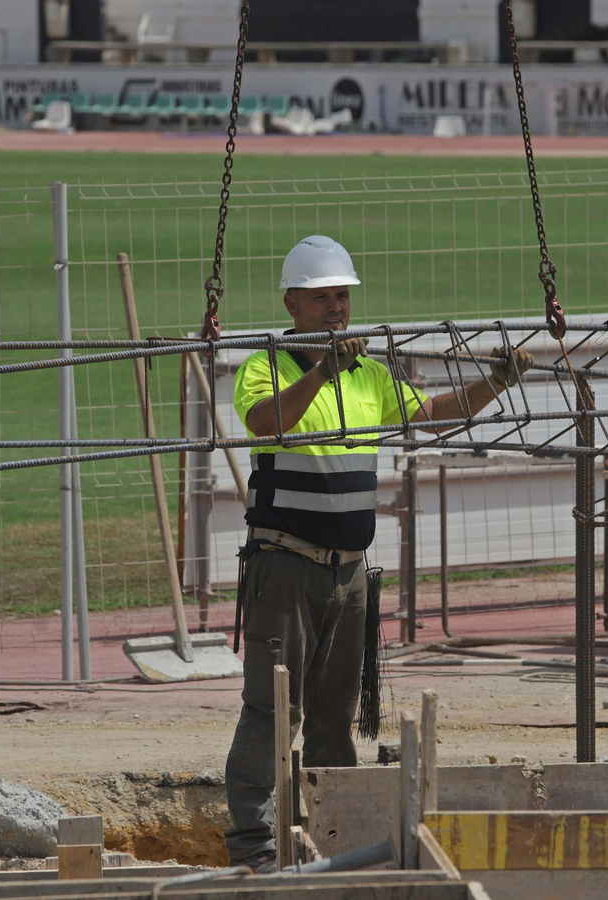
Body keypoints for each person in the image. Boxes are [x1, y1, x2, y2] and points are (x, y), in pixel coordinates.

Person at [225, 235, 534, 871]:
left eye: (342, 296)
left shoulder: (369, 374)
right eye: (322, 298)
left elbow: (434, 414)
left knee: (335, 717)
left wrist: (494, 384)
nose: (337, 307)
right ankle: (256, 849)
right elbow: (264, 423)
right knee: (270, 713)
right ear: (292, 303)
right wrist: (321, 372)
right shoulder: (267, 364)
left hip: (348, 575)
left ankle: (333, 840)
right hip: (283, 566)